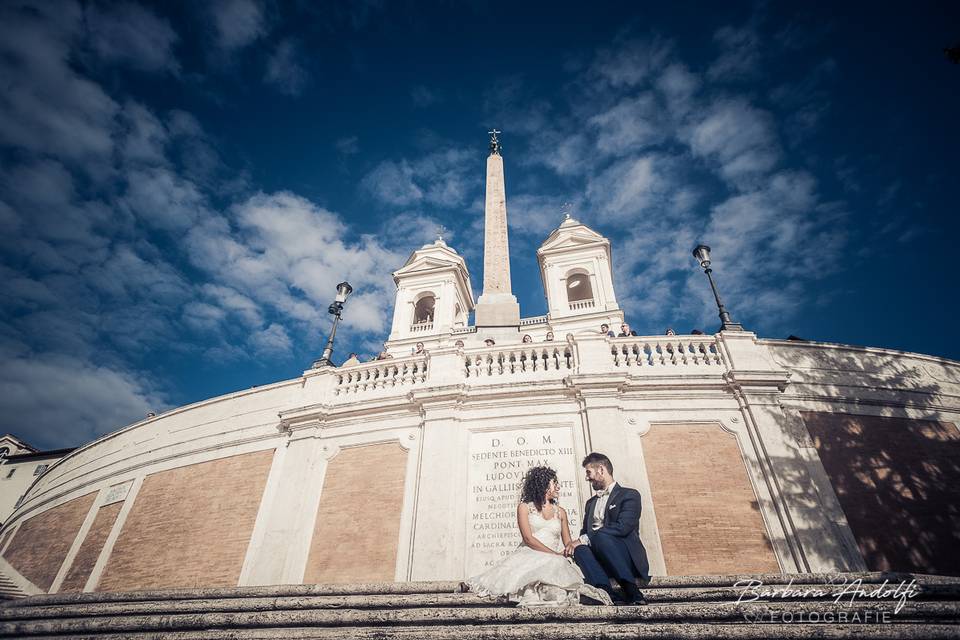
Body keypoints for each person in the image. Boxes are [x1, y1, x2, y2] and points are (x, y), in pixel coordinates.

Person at [465, 467, 612, 607]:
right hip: (529, 553)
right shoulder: (524, 507)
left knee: (558, 568)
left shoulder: (560, 512)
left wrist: (573, 548)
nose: (558, 487)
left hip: (554, 557)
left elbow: (567, 542)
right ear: (543, 484)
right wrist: (554, 554)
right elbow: (528, 539)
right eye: (554, 483)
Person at [564, 453, 650, 605]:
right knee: (580, 550)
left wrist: (586, 538)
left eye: (589, 472)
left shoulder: (629, 495)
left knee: (599, 536)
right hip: (599, 562)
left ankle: (632, 591)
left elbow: (623, 527)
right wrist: (581, 541)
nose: (587, 478)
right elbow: (585, 532)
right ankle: (607, 593)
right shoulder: (590, 503)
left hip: (625, 559)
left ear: (601, 470)